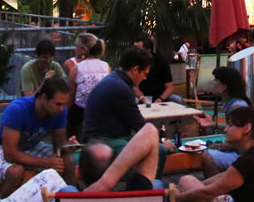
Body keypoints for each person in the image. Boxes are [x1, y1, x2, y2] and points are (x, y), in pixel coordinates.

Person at [81, 46, 174, 177]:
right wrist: (161, 141)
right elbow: (139, 124)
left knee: (155, 148)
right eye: (145, 73)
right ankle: (146, 185)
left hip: (109, 135)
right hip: (102, 139)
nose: (145, 78)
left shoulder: (115, 80)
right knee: (158, 150)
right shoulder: (120, 87)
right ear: (135, 70)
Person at [0, 76, 76, 198]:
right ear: (44, 97)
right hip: (0, 147)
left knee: (68, 161)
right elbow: (10, 154)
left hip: (30, 146)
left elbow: (59, 143)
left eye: (64, 104)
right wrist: (46, 163)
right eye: (58, 104)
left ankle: (70, 201)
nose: (62, 109)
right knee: (15, 172)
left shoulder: (60, 111)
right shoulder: (17, 109)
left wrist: (69, 147)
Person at [193, 67, 251, 177]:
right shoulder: (233, 103)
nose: (212, 82)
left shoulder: (237, 107)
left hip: (247, 155)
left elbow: (241, 141)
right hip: (243, 151)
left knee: (208, 156)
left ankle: (219, 187)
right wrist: (213, 124)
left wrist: (217, 146)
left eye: (215, 80)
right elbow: (234, 129)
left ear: (223, 87)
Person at [65, 33, 110, 139]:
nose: (75, 49)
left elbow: (71, 98)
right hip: (103, 111)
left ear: (84, 49)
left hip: (81, 113)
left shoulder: (76, 69)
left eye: (76, 46)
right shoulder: (106, 66)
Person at [133, 35, 184, 104]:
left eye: (137, 49)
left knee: (177, 99)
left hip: (159, 96)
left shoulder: (161, 62)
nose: (134, 52)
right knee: (132, 100)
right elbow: (134, 86)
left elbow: (170, 87)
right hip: (141, 96)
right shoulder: (133, 62)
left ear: (148, 50)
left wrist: (160, 99)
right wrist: (143, 98)